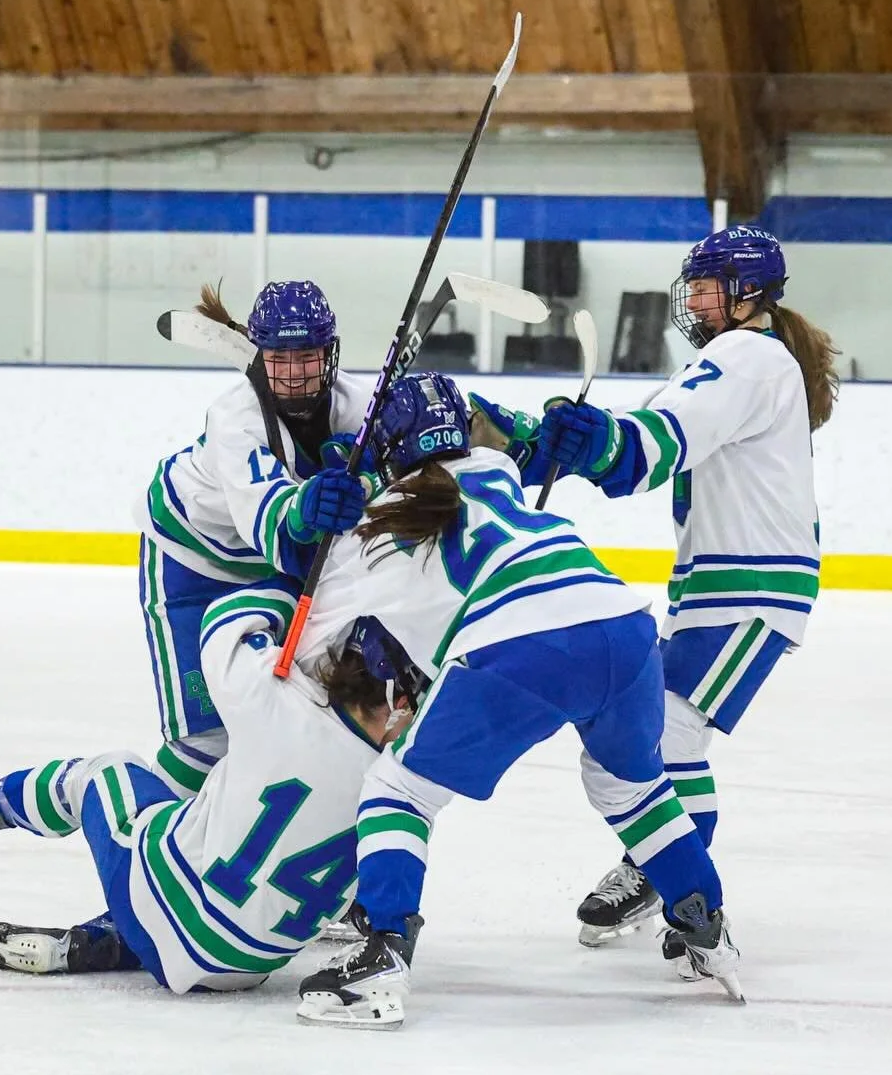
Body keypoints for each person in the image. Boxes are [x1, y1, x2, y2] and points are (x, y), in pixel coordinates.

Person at [283, 371, 739, 1030]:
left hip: (521, 642)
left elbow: (402, 651)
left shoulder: (384, 524)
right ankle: (707, 928)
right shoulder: (496, 466)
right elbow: (509, 434)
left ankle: (381, 957)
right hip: (624, 622)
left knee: (398, 788)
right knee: (633, 790)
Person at [521, 225, 839, 961]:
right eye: (692, 285)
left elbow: (653, 444)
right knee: (642, 733)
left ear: (749, 293)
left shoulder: (749, 358)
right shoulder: (733, 359)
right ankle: (663, 865)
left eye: (707, 286)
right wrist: (543, 440)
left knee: (663, 737)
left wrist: (599, 445)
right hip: (720, 589)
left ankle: (677, 882)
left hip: (753, 588)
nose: (693, 299)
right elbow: (641, 437)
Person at [0, 581, 418, 994]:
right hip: (247, 972)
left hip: (163, 902)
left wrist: (296, 592)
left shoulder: (276, 704)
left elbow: (226, 618)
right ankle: (114, 938)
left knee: (103, 773)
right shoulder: (401, 782)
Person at [137, 280, 372, 799]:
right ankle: (143, 833)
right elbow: (273, 526)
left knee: (296, 713)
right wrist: (309, 506)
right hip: (189, 561)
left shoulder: (358, 402)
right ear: (259, 355)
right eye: (279, 357)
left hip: (268, 567)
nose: (292, 373)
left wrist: (525, 444)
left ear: (330, 354)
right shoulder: (235, 418)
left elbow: (435, 442)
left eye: (306, 355)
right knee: (205, 744)